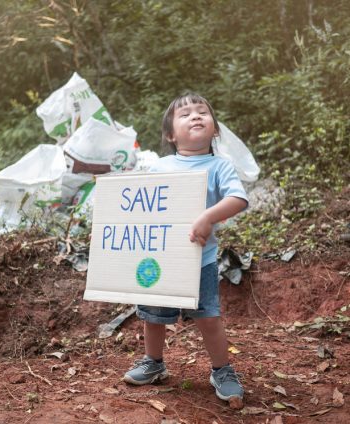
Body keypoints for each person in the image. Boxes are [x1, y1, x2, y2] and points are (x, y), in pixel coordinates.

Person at [123, 92, 248, 405]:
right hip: (158, 259)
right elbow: (142, 209)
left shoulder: (220, 166)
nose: (195, 116)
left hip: (200, 261)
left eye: (202, 112)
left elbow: (238, 199)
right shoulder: (159, 167)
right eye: (185, 114)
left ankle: (222, 369)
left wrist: (208, 217)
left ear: (214, 129)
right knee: (153, 314)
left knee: (208, 317)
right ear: (170, 134)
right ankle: (154, 362)